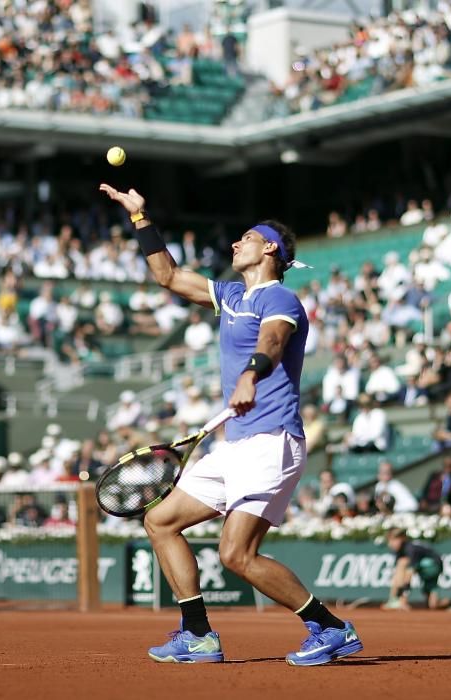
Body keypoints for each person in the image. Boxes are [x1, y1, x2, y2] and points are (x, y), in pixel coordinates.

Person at [99, 182, 362, 666]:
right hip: (237, 445)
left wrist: (250, 375)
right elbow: (169, 275)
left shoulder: (279, 299)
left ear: (269, 249)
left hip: (272, 441)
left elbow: (274, 342)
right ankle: (197, 633)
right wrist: (140, 219)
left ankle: (329, 627)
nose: (235, 243)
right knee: (160, 520)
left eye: (245, 237)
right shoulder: (230, 294)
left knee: (236, 555)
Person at [383, 529, 451, 611]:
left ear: (402, 539)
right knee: (433, 605)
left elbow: (408, 576)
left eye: (394, 540)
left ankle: (394, 599)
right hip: (426, 570)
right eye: (389, 541)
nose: (391, 544)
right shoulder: (400, 551)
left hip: (432, 567)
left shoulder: (411, 549)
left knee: (402, 563)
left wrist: (403, 601)